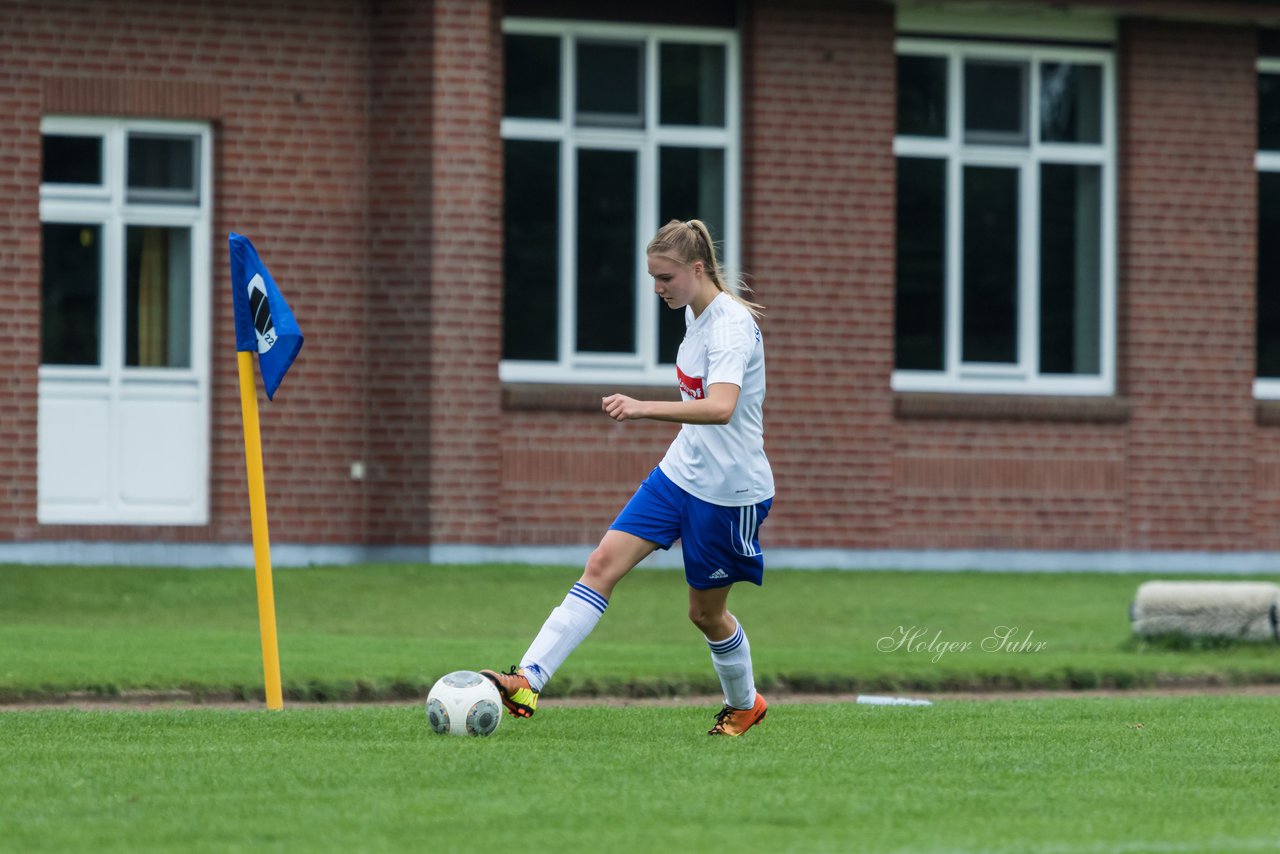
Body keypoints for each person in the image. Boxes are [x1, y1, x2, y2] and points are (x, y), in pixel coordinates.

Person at [483, 219, 774, 736]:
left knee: (706, 616)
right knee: (600, 565)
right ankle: (527, 678)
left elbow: (724, 407)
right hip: (679, 473)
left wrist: (642, 408)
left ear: (696, 269)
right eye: (653, 278)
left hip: (729, 491)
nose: (658, 288)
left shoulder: (728, 326)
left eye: (665, 278)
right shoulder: (696, 313)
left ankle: (745, 703)